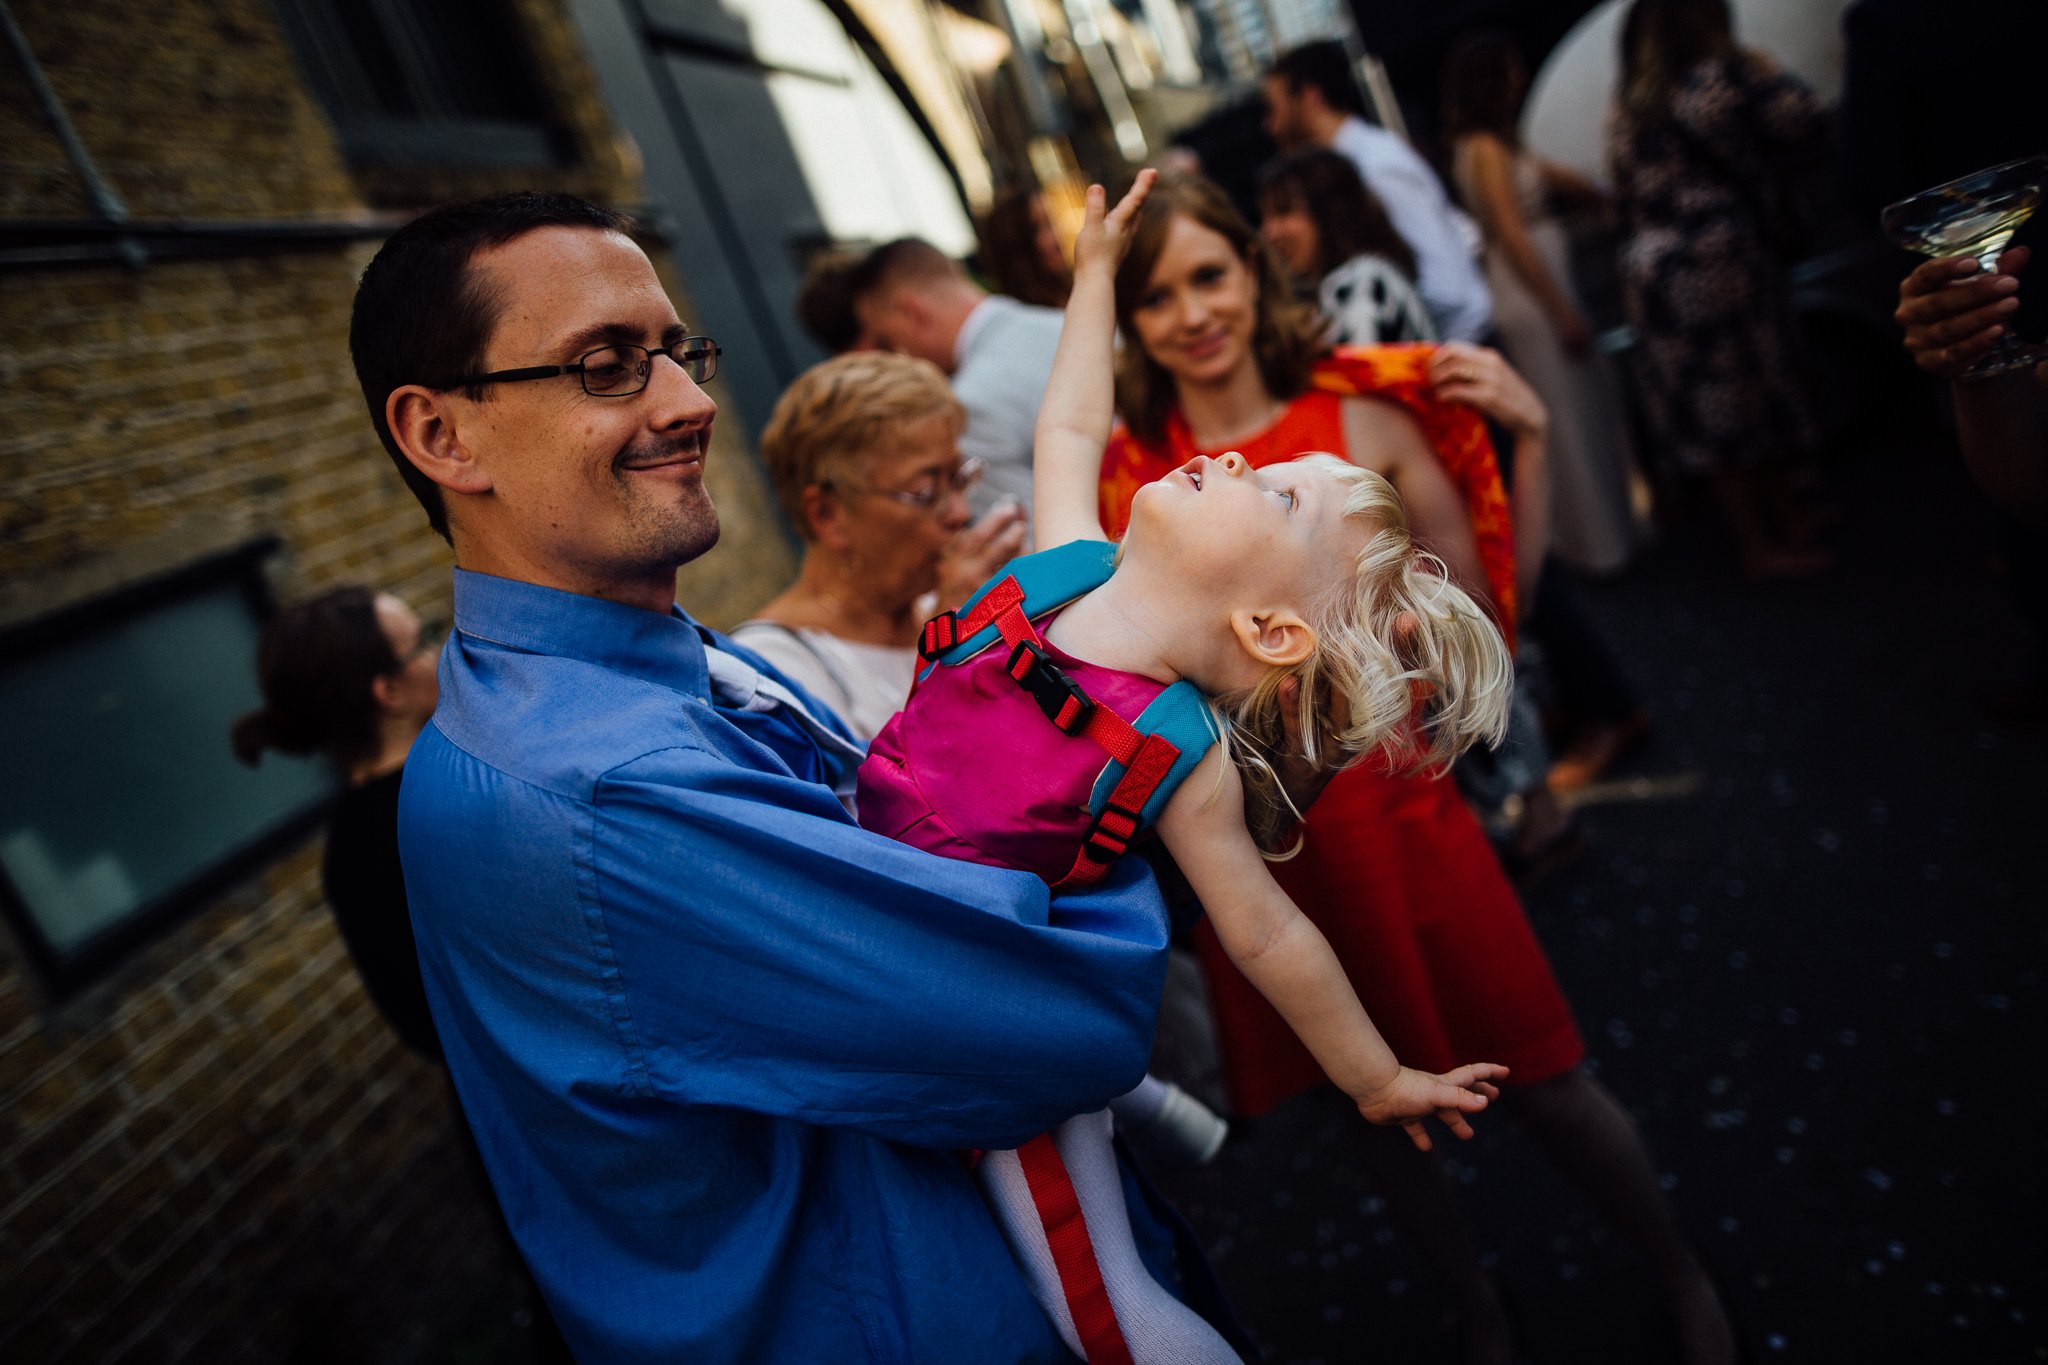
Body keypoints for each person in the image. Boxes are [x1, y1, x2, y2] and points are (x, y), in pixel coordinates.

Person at [348, 190, 1224, 1362]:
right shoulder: (598, 785)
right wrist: (1094, 755)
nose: (689, 399)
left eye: (674, 350)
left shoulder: (623, 677)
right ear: (442, 435)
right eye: (607, 365)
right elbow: (1065, 1011)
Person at [857, 170, 1512, 1365]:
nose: (1232, 460)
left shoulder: (1180, 753)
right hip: (880, 925)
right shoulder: (1063, 567)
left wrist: (1371, 1078)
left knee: (1095, 1303)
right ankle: (1147, 1103)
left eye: (1271, 495)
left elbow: (1265, 932)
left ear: (1268, 631)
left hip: (987, 1022)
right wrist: (1093, 276)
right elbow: (1067, 423)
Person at [1097, 169, 1736, 1365]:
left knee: (1542, 1075)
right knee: (1371, 1109)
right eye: (1155, 295)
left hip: (1402, 819)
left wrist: (1531, 443)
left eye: (1208, 275)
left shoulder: (1361, 425)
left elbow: (1490, 610)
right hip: (1264, 857)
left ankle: (1676, 1266)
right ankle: (1478, 1311)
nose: (1190, 312)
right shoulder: (1142, 484)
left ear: (1251, 275)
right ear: (1127, 324)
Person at [1609, 0, 1831, 580]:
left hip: (1654, 274)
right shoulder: (1719, 79)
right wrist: (1767, 68)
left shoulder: (1629, 105)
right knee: (1751, 397)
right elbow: (1804, 118)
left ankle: (1770, 528)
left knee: (1715, 411)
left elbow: (1620, 188)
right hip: (1718, 266)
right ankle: (1766, 543)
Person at [730, 350, 1025, 740]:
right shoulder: (771, 669)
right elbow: (890, 794)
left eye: (958, 478)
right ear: (827, 514)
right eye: (925, 490)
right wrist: (948, 649)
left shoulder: (932, 606)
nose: (959, 511)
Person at [1445, 30, 1644, 577]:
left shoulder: (1500, 145)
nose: (1519, 81)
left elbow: (1573, 182)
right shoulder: (1484, 149)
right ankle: (1594, 547)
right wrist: (1560, 308)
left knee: (1582, 412)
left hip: (1538, 286)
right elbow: (1511, 232)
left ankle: (1605, 537)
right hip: (1531, 293)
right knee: (1567, 423)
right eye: (1510, 72)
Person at [231, 586, 442, 1056]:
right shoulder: (452, 804)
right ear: (389, 691)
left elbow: (419, 1028)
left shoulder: (346, 851)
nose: (443, 648)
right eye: (424, 639)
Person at [1263, 40, 1493, 343]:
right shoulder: (1345, 165)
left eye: (1273, 108)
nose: (1270, 125)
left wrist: (1444, 371)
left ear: (1310, 98)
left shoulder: (1375, 164)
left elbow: (1448, 288)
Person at [844, 237, 1066, 517]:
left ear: (912, 311)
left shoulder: (969, 407)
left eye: (888, 341)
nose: (898, 356)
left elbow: (1038, 540)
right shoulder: (1069, 322)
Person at [1257, 148, 1437, 347]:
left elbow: (1358, 371)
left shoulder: (1359, 282)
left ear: (1329, 212)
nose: (1269, 232)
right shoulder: (1372, 274)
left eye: (1284, 211)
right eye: (1264, 217)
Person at [981, 185, 1075, 308]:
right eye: (1039, 228)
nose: (1058, 235)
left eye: (1053, 221)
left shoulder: (1075, 289)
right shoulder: (1029, 317)